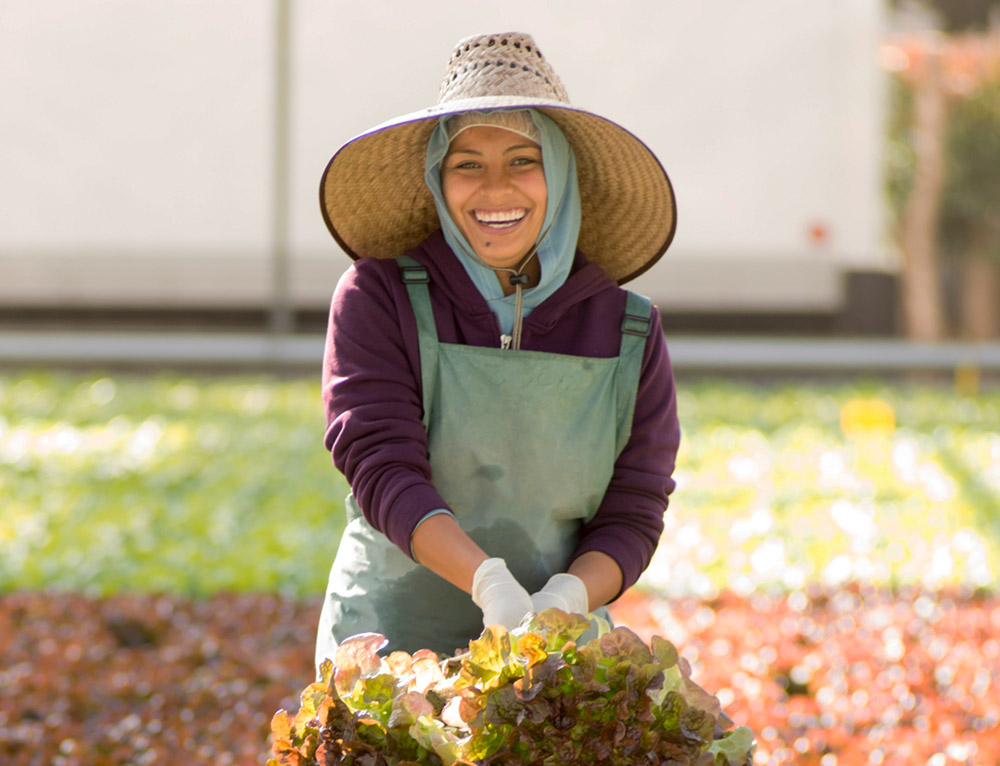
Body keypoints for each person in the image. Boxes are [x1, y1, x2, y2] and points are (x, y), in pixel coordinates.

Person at [315, 31, 680, 664]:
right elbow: (381, 466)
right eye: (467, 165)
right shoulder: (378, 297)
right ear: (438, 178)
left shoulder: (629, 332)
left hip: (551, 653)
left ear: (561, 174)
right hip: (389, 644)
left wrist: (565, 597)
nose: (494, 189)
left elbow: (635, 507)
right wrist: (488, 581)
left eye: (522, 160)